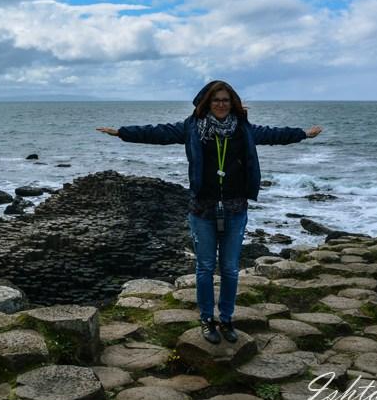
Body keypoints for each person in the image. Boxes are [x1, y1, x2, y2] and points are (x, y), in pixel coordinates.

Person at [97, 81, 322, 344]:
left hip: (235, 209)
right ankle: (206, 319)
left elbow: (273, 135)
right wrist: (122, 132)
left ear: (233, 102)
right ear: (206, 103)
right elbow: (158, 133)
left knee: (229, 269)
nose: (221, 104)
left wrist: (302, 134)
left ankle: (226, 319)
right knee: (204, 267)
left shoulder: (243, 129)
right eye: (216, 100)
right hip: (202, 209)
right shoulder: (192, 128)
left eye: (226, 100)